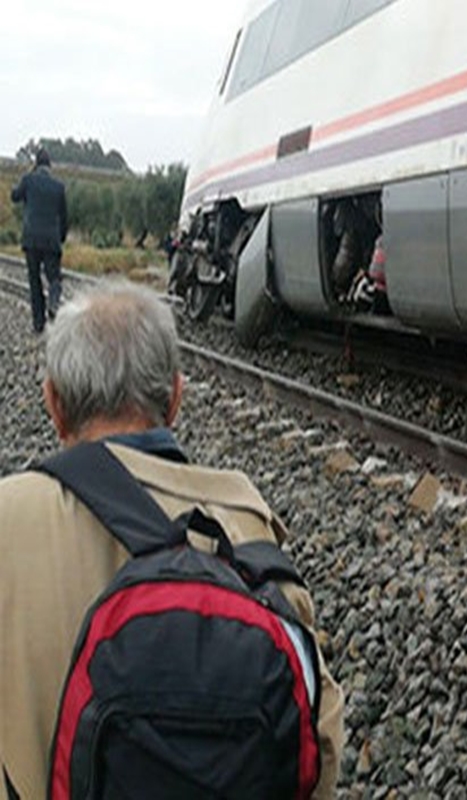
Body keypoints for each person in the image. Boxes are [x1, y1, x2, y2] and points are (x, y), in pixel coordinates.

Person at [0, 281, 344, 799]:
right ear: (176, 398)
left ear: (54, 403)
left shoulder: (8, 518)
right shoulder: (249, 533)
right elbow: (320, 751)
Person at [10, 147, 68, 333]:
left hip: (31, 239)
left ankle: (38, 324)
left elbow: (14, 196)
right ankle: (53, 302)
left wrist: (28, 174)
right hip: (51, 240)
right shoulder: (59, 187)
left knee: (34, 282)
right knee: (54, 278)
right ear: (50, 165)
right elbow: (64, 217)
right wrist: (61, 237)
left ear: (36, 164)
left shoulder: (28, 180)